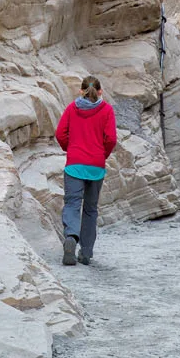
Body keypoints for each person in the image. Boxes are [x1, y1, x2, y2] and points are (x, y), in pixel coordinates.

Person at [54, 76, 117, 266]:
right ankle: (86, 252)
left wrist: (70, 148)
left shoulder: (72, 109)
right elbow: (111, 139)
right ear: (100, 92)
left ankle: (71, 238)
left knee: (72, 203)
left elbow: (60, 133)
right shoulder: (106, 110)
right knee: (90, 209)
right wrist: (101, 154)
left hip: (74, 165)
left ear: (81, 91)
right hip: (96, 167)